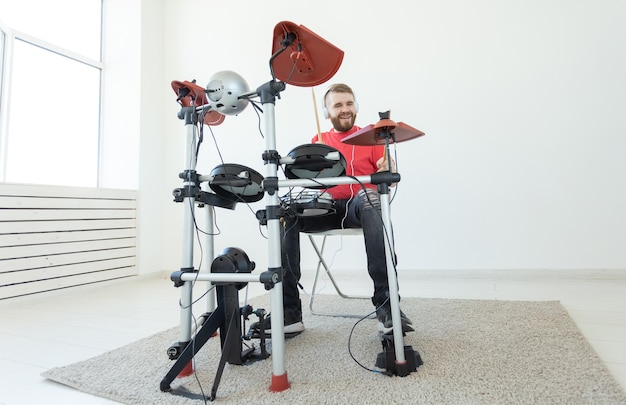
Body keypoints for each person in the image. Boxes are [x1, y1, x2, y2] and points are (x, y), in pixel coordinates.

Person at [253, 83, 413, 336]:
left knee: (371, 198)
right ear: (327, 112)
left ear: (356, 107)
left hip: (359, 208)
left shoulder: (372, 138)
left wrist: (386, 167)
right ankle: (289, 313)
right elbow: (308, 181)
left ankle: (386, 305)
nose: (345, 109)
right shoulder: (319, 141)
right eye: (338, 105)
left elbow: (387, 175)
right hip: (324, 210)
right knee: (283, 213)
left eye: (349, 103)